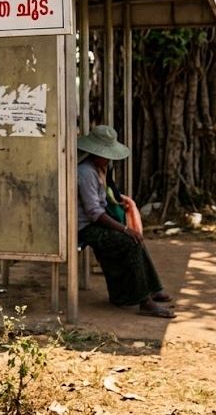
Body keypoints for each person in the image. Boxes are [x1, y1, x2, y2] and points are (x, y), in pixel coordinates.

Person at [77, 125, 175, 318]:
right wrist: (123, 229)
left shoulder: (101, 169)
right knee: (130, 241)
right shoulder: (86, 172)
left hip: (95, 221)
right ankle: (144, 300)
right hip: (85, 227)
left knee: (136, 238)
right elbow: (94, 212)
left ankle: (152, 287)